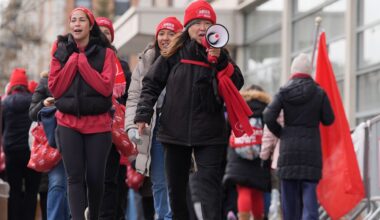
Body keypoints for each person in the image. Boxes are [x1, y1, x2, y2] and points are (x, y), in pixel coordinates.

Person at [133, 1, 244, 219]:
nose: (202, 28)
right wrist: (143, 114)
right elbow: (151, 84)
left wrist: (221, 60)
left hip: (210, 133)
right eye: (197, 23)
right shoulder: (174, 52)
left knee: (210, 191)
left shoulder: (221, 55)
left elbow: (238, 82)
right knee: (176, 192)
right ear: (188, 26)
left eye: (207, 23)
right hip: (174, 131)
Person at [48, 7, 116, 220]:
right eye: (73, 20)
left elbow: (105, 88)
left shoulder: (107, 53)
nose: (77, 24)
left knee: (95, 179)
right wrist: (72, 61)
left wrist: (83, 63)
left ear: (90, 25)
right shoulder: (60, 51)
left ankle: (93, 215)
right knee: (74, 178)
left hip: (98, 125)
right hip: (68, 123)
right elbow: (56, 88)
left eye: (82, 20)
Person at [263, 53, 335, 220]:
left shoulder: (283, 92)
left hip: (288, 151)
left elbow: (268, 116)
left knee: (289, 201)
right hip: (311, 151)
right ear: (310, 72)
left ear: (292, 71)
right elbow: (329, 119)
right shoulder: (319, 93)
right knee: (309, 196)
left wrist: (281, 132)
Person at [126, 16, 183, 220]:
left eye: (171, 33)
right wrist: (132, 126)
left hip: (181, 128)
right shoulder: (147, 59)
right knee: (158, 180)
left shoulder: (186, 58)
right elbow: (134, 97)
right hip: (154, 128)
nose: (165, 38)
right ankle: (164, 217)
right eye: (161, 33)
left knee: (178, 181)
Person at [95, 16, 132, 220]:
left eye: (107, 31)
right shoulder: (81, 58)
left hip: (112, 132)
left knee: (111, 182)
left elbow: (129, 98)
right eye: (99, 30)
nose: (103, 35)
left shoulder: (123, 66)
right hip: (88, 129)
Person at [223, 85, 272, 220]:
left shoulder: (237, 106)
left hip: (238, 158)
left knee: (243, 190)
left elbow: (227, 130)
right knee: (257, 192)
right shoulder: (267, 109)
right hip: (259, 158)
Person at [29, 70, 70, 220]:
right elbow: (33, 112)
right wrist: (44, 104)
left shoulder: (82, 72)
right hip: (54, 142)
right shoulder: (46, 81)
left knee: (77, 187)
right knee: (58, 184)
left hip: (78, 135)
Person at [2, 68, 41, 220]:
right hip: (31, 152)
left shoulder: (5, 103)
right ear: (24, 85)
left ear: (12, 85)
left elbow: (2, 128)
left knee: (14, 190)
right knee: (32, 191)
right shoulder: (33, 101)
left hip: (11, 152)